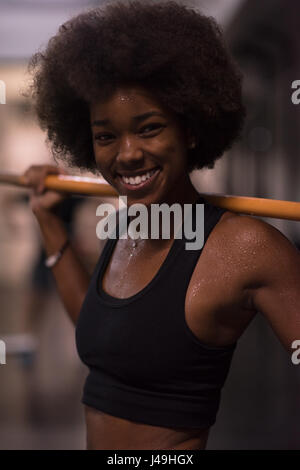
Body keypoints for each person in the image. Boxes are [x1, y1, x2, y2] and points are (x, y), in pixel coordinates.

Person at [23, 1, 300, 450]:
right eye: (106, 136)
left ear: (189, 129)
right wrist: (49, 222)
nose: (127, 154)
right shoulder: (125, 226)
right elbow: (106, 335)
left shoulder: (246, 247)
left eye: (149, 128)